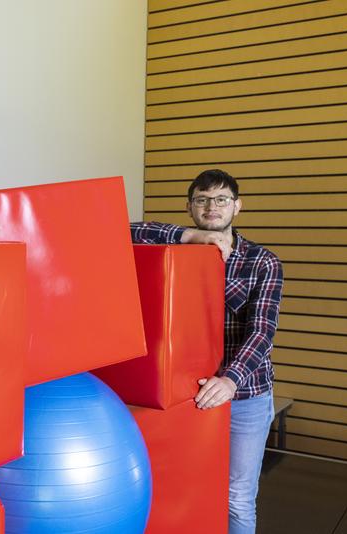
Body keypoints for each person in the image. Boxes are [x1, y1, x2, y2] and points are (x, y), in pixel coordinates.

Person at [130, 169, 283, 534]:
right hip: (188, 395)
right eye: (202, 199)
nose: (211, 207)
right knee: (183, 490)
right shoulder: (177, 247)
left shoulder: (262, 261)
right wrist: (189, 237)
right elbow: (125, 230)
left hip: (244, 393)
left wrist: (230, 381)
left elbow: (262, 332)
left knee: (237, 497)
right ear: (189, 207)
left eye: (221, 200)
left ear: (237, 206)